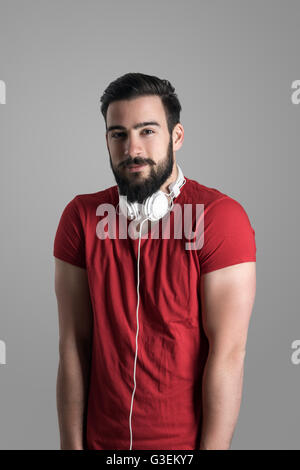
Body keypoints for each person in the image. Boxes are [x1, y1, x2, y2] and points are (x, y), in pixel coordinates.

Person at [53, 72, 256, 450]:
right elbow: (73, 344)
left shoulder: (221, 218)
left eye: (147, 131)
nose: (133, 148)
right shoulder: (79, 218)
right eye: (119, 134)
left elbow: (227, 355)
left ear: (176, 136)